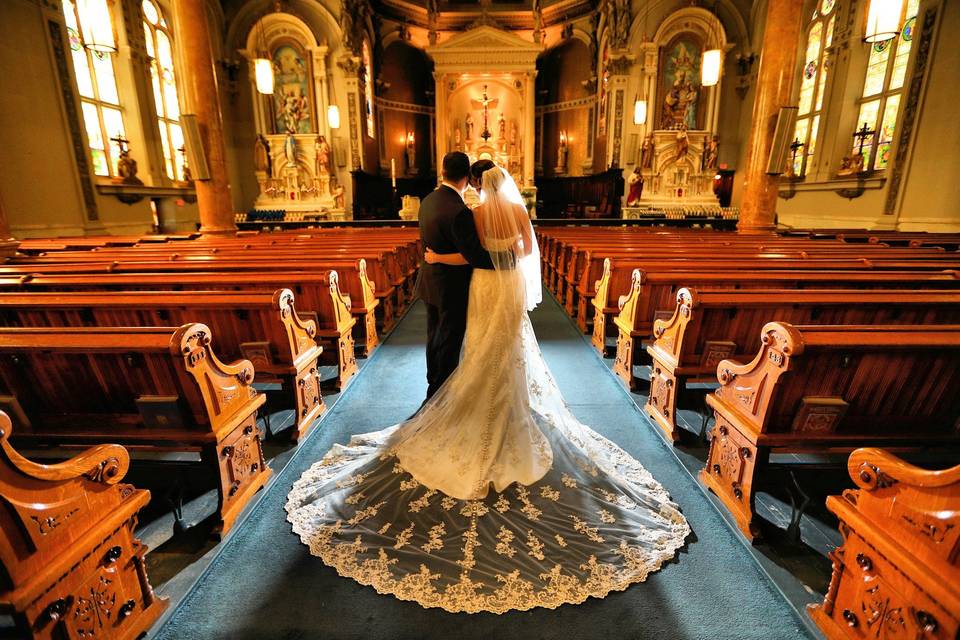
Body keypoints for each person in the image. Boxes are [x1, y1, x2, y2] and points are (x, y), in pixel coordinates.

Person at [286, 162, 689, 614]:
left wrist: (441, 258)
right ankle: (508, 403)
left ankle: (466, 401)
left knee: (477, 349)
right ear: (505, 185)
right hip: (510, 286)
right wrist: (511, 255)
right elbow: (527, 252)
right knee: (509, 349)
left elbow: (476, 254)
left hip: (483, 288)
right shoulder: (518, 212)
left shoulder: (474, 213)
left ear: (479, 185)